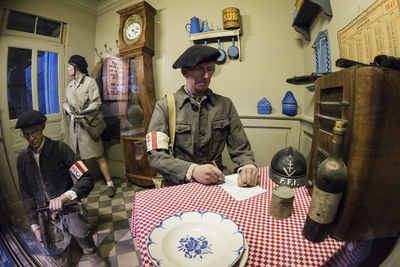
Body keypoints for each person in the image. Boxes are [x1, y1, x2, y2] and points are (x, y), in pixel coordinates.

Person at [146, 45, 259, 186]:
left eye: (210, 69)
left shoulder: (225, 105)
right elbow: (156, 156)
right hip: (180, 182)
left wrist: (248, 166)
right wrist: (192, 170)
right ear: (184, 72)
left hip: (216, 180)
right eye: (199, 69)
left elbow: (241, 148)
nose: (206, 76)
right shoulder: (165, 107)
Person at [16, 110, 107, 267]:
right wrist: (34, 224)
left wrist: (64, 197)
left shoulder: (61, 149)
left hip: (67, 206)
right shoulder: (22, 160)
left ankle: (90, 251)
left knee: (78, 227)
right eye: (26, 135)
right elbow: (26, 195)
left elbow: (86, 178)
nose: (31, 138)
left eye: (35, 132)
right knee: (55, 250)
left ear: (43, 127)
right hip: (44, 212)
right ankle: (68, 246)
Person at [62, 55, 116, 198]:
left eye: (69, 66)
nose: (67, 69)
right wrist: (70, 112)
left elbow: (96, 103)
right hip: (75, 130)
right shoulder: (70, 85)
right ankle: (83, 186)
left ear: (76, 66)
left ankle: (110, 184)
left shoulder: (90, 82)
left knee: (99, 157)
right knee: (78, 160)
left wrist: (82, 114)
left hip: (88, 126)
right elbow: (65, 102)